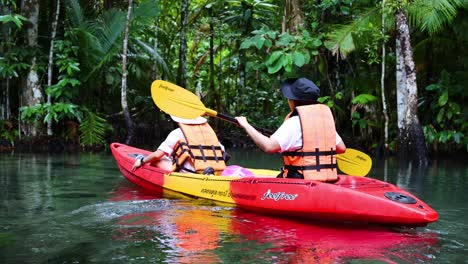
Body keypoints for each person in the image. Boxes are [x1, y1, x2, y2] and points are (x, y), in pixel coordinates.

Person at [235, 77, 346, 181]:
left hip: (300, 181)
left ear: (293, 101)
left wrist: (246, 125)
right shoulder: (324, 122)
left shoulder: (294, 122)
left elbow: (268, 147)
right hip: (325, 181)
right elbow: (341, 148)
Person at [132, 115, 227, 175]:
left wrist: (141, 161)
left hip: (189, 173)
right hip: (214, 171)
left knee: (158, 159)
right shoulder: (209, 133)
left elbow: (157, 155)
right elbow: (222, 152)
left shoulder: (177, 132)